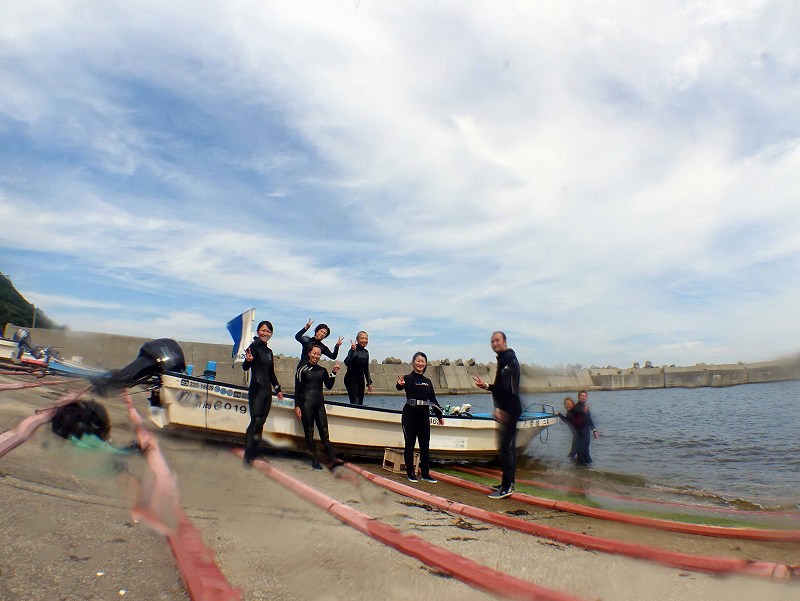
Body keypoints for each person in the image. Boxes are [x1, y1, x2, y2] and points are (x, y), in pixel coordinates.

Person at [472, 331, 522, 499]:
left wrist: (501, 408)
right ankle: (507, 482)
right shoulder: (504, 358)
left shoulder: (508, 358)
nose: (494, 344)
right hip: (510, 408)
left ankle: (507, 486)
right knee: (507, 447)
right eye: (492, 341)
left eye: (497, 340)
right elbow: (501, 386)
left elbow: (508, 389)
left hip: (510, 408)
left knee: (505, 448)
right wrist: (486, 385)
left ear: (504, 341)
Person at [396, 352, 444, 483]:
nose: (420, 363)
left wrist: (439, 415)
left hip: (423, 416)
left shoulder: (428, 382)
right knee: (410, 444)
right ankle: (410, 473)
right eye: (418, 361)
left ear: (425, 364)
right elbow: (399, 387)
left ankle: (425, 473)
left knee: (425, 446)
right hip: (409, 415)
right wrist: (400, 384)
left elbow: (433, 400)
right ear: (413, 362)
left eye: (423, 361)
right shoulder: (408, 378)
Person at [241, 320, 283, 466]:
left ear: (271, 334)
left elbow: (271, 373)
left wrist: (278, 389)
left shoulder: (269, 352)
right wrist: (248, 361)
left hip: (267, 391)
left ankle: (255, 453)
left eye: (268, 331)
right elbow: (245, 367)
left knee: (262, 423)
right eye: (263, 330)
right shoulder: (253, 347)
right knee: (256, 421)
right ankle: (247, 455)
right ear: (258, 331)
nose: (266, 333)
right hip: (256, 390)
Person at [294, 345, 341, 469]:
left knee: (324, 433)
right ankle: (314, 460)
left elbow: (329, 385)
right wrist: (297, 406)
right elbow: (297, 389)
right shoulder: (301, 369)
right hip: (306, 405)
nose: (316, 356)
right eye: (314, 353)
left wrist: (334, 372)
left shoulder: (322, 370)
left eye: (318, 354)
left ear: (320, 356)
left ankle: (332, 459)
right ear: (309, 353)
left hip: (319, 404)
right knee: (309, 433)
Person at [294, 318, 343, 395]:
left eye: (325, 334)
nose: (323, 334)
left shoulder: (322, 347)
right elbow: (297, 336)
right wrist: (305, 328)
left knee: (312, 391)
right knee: (300, 390)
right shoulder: (308, 341)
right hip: (302, 368)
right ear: (317, 331)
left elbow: (333, 356)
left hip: (313, 371)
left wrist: (337, 347)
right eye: (321, 331)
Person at [343, 331, 373, 405]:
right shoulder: (353, 350)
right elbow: (346, 362)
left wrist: (369, 382)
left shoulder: (366, 352)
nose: (364, 340)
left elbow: (366, 368)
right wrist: (352, 351)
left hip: (360, 380)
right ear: (357, 339)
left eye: (366, 339)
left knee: (360, 402)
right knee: (355, 401)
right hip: (350, 379)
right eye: (362, 338)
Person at [574, 390, 599, 466]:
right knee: (582, 453)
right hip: (579, 434)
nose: (583, 397)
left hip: (586, 433)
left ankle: (582, 470)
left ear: (587, 397)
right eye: (582, 396)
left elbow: (589, 419)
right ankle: (583, 472)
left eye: (585, 396)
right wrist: (584, 411)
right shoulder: (576, 407)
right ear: (578, 397)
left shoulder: (585, 407)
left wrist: (594, 430)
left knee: (586, 452)